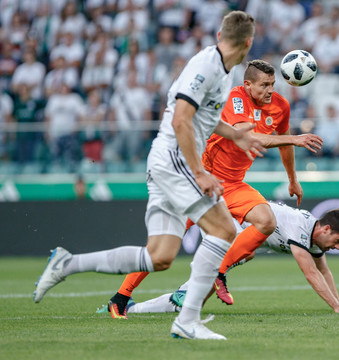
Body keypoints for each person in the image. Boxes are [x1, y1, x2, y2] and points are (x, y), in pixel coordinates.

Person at [33, 11, 262, 341]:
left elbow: (202, 119)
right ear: (249, 42)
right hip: (175, 159)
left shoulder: (225, 70)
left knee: (160, 256)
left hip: (167, 159)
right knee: (225, 229)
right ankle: (187, 321)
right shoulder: (207, 66)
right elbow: (181, 121)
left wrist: (235, 134)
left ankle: (67, 264)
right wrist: (199, 172)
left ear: (219, 34)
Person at [102, 59, 323, 312]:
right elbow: (245, 136)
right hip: (201, 181)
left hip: (233, 185)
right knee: (163, 246)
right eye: (264, 85)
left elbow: (283, 145)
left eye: (273, 84)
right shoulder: (235, 99)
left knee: (266, 221)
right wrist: (295, 138)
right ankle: (120, 298)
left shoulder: (280, 106)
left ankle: (219, 271)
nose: (270, 90)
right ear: (247, 85)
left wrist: (292, 178)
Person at [97, 202, 339, 315]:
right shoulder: (300, 228)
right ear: (326, 229)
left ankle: (129, 304)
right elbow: (311, 273)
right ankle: (129, 301)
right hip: (229, 225)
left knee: (193, 298)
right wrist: (336, 308)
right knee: (185, 290)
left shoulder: (314, 237)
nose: (338, 247)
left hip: (238, 234)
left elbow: (324, 272)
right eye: (338, 241)